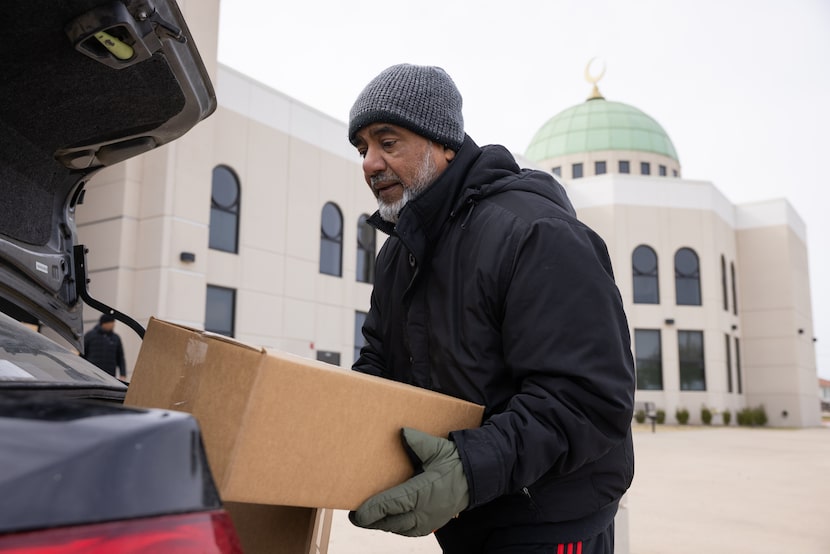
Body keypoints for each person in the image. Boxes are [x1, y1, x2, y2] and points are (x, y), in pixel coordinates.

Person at [348, 64, 635, 553]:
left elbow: (587, 397)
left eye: (388, 141)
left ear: (444, 144)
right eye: (362, 149)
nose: (370, 163)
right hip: (467, 521)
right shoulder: (398, 253)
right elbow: (379, 362)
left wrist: (464, 470)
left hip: (547, 524)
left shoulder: (533, 232)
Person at [83, 314, 127, 380]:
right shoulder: (90, 335)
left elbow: (120, 358)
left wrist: (123, 374)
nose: (114, 325)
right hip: (92, 374)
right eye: (112, 323)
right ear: (105, 323)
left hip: (109, 376)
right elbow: (82, 354)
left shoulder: (116, 338)